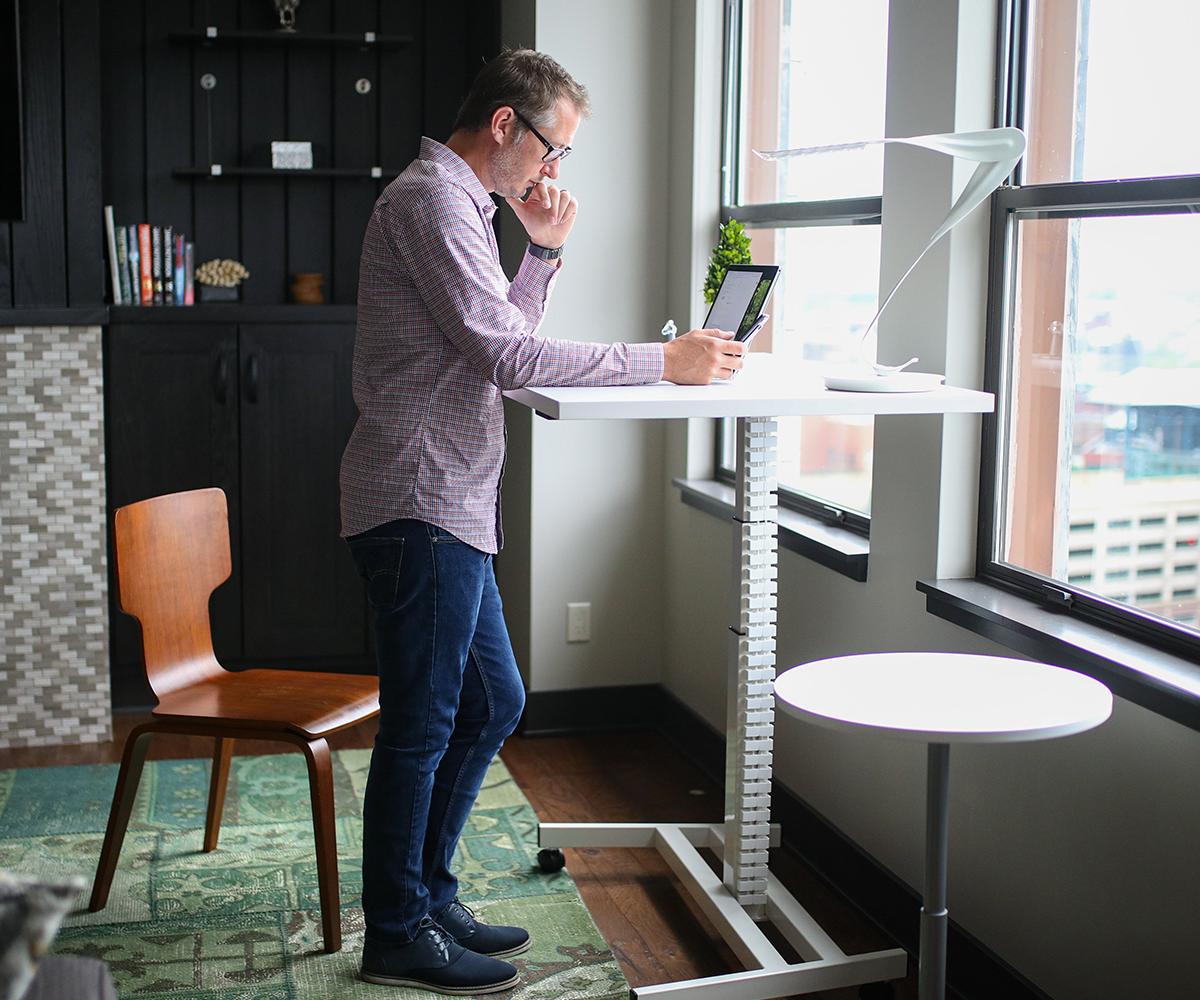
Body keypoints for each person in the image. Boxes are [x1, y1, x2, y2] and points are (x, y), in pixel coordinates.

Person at [339, 48, 743, 994]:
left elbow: (492, 346)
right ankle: (397, 927)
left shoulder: (463, 210)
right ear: (506, 126)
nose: (552, 173)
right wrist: (662, 360)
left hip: (448, 502)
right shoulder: (432, 204)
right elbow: (509, 358)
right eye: (553, 149)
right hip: (420, 499)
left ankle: (427, 894)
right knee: (423, 724)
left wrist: (544, 255)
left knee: (493, 702)